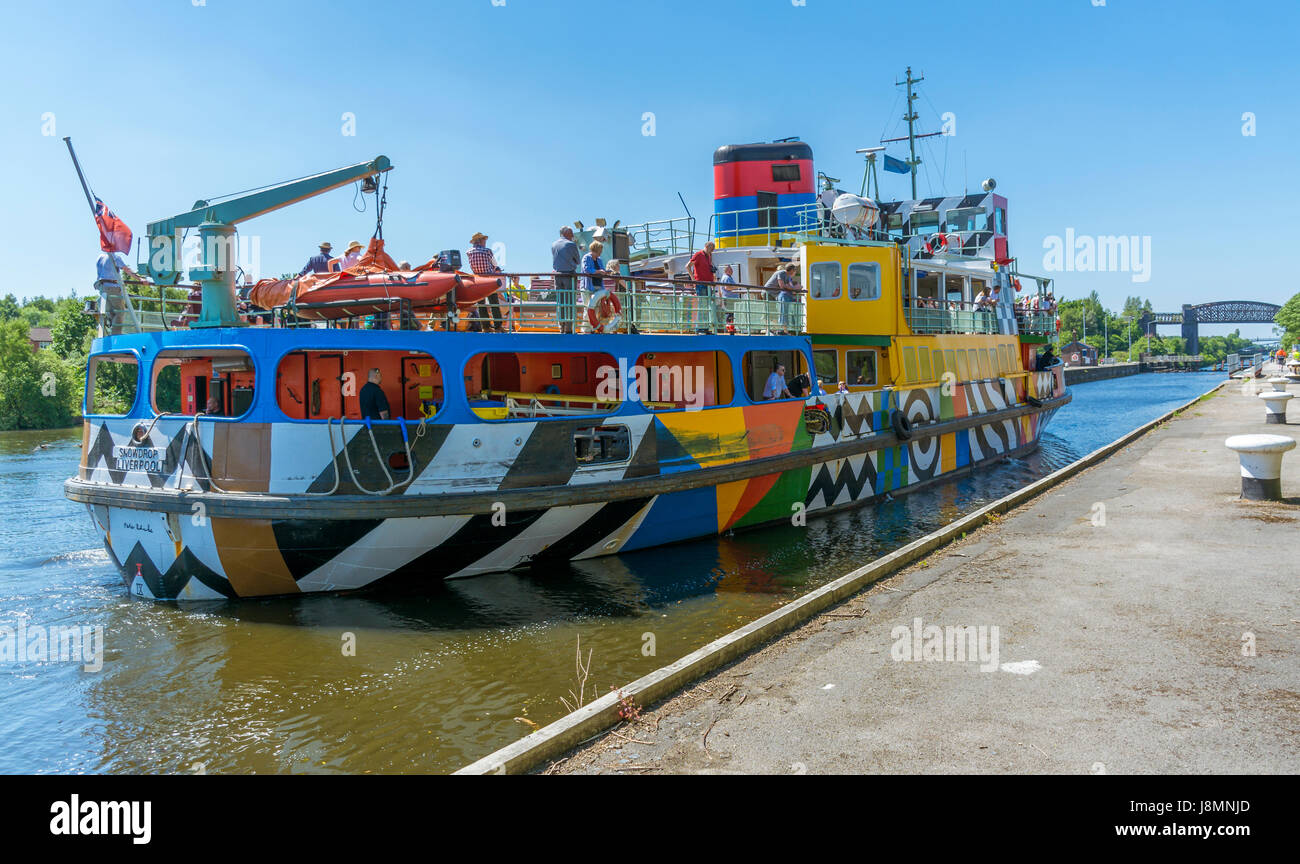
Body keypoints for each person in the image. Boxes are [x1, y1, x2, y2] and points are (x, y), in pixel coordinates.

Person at [466, 231, 505, 332]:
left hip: (477, 281)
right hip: (489, 280)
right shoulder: (488, 251)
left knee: (481, 304)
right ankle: (498, 326)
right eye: (484, 240)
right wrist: (497, 270)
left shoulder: (469, 252)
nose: (485, 242)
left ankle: (485, 327)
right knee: (494, 303)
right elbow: (495, 265)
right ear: (480, 241)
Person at [94, 251, 135, 335]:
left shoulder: (100, 257)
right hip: (113, 288)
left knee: (111, 312)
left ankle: (107, 328)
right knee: (120, 311)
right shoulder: (115, 258)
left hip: (102, 288)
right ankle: (116, 335)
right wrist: (140, 279)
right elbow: (127, 270)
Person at [551, 226, 580, 334]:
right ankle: (568, 328)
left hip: (558, 275)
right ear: (566, 233)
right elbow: (577, 261)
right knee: (570, 301)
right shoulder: (571, 244)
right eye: (571, 233)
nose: (573, 236)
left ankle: (561, 326)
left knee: (561, 302)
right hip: (569, 275)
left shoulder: (553, 244)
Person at [688, 241, 717, 333]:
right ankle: (700, 328)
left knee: (708, 306)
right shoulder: (698, 255)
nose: (711, 251)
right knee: (702, 305)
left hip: (708, 284)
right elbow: (688, 266)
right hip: (701, 283)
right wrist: (693, 280)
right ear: (706, 246)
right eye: (711, 249)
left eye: (712, 250)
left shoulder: (708, 256)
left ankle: (705, 327)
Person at [581, 240, 607, 322]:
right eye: (600, 250)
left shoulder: (599, 260)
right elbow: (587, 269)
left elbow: (602, 269)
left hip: (598, 286)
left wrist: (605, 271)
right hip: (588, 287)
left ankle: (593, 327)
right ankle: (586, 328)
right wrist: (599, 271)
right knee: (588, 307)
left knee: (596, 308)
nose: (601, 252)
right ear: (596, 249)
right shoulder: (586, 257)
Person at [718, 263, 739, 332]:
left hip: (728, 298)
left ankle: (730, 327)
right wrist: (737, 287)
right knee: (730, 313)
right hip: (729, 299)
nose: (732, 271)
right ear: (726, 270)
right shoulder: (727, 278)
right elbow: (727, 287)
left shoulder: (725, 277)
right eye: (730, 269)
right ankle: (730, 328)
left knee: (730, 313)